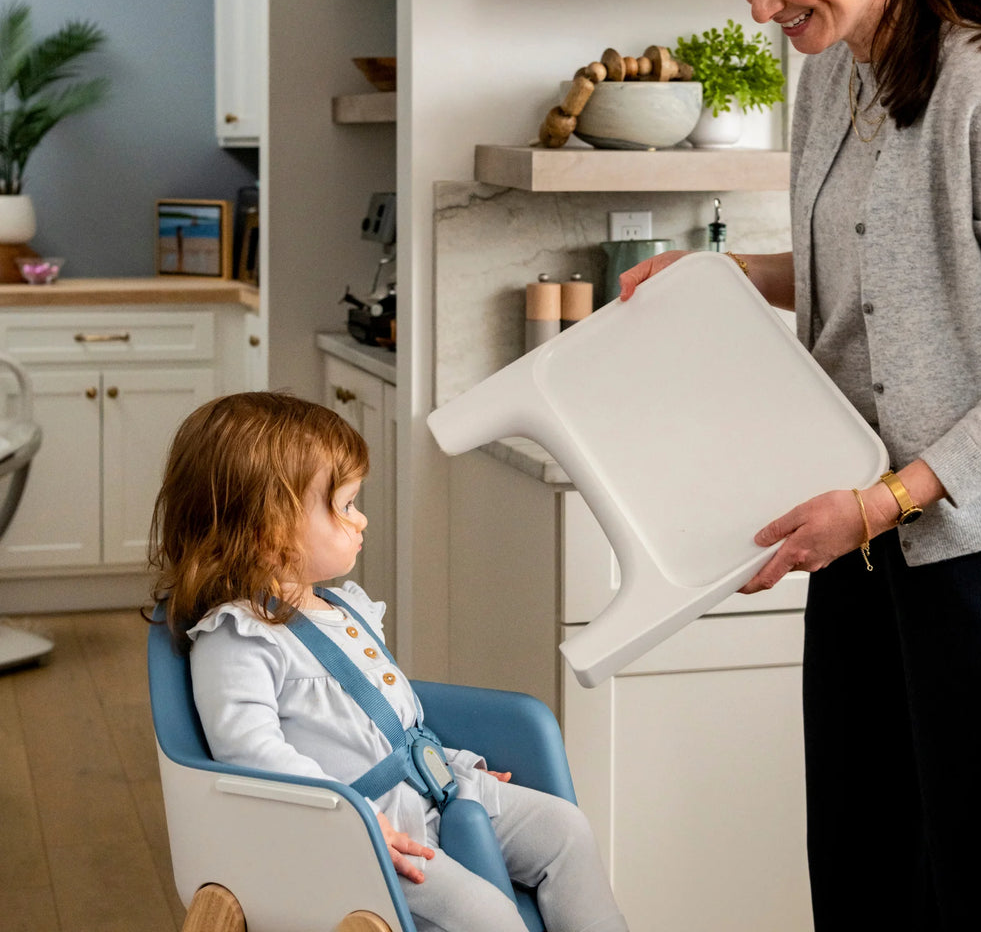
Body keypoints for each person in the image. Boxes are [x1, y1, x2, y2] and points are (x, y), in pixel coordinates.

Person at [621, 0, 981, 929]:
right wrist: (731, 274)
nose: (759, 5)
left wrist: (883, 502)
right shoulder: (830, 70)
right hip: (865, 532)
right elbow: (875, 275)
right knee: (862, 857)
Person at [150, 392, 627, 932]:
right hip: (360, 838)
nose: (362, 519)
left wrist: (448, 767)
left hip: (434, 790)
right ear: (270, 531)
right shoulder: (238, 637)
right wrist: (353, 821)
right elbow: (250, 753)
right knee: (488, 916)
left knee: (565, 830)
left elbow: (387, 723)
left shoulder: (340, 605)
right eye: (346, 505)